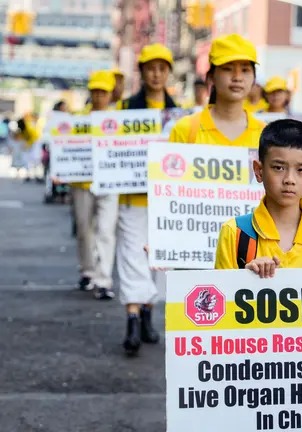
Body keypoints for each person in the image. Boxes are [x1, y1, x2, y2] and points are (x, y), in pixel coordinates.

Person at [214, 118, 302, 277]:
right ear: (258, 170)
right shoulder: (236, 233)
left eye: (301, 170)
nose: (289, 179)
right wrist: (246, 279)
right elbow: (222, 296)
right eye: (278, 167)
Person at [116, 43, 177, 356]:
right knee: (131, 258)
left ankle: (148, 315)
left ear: (168, 72)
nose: (156, 73)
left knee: (161, 263)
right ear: (141, 72)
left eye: (162, 68)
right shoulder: (124, 109)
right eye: (150, 68)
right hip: (133, 199)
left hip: (166, 202)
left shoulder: (179, 115)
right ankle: (132, 319)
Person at [72, 70, 119, 299]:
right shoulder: (77, 120)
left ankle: (103, 279)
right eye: (96, 91)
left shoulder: (119, 121)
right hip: (82, 183)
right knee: (83, 229)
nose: (99, 96)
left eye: (103, 92)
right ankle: (87, 271)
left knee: (106, 230)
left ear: (110, 94)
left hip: (110, 184)